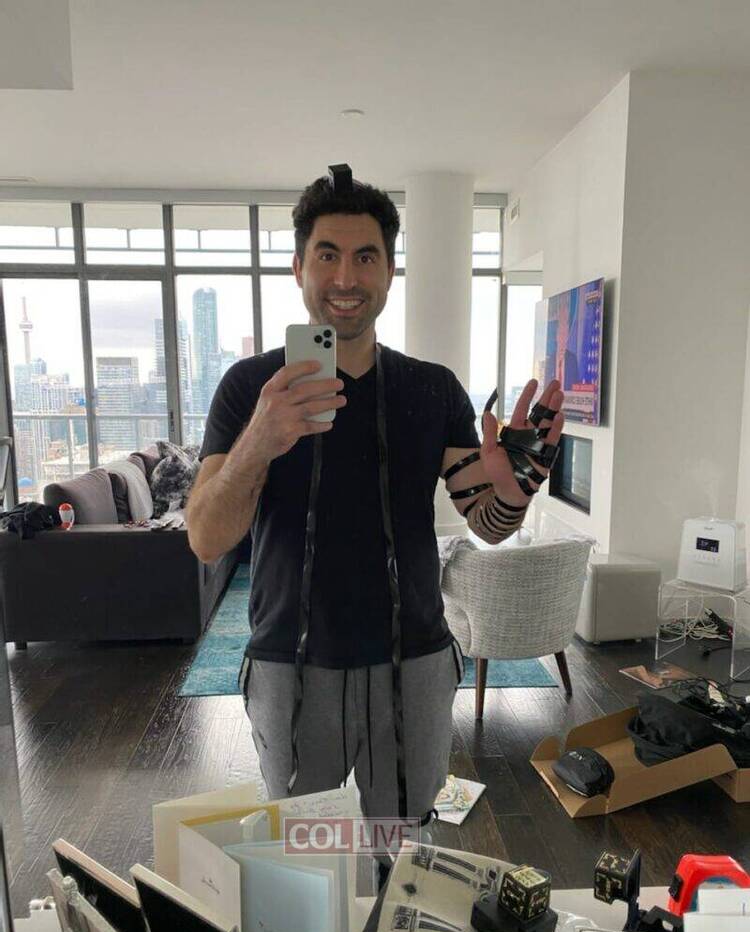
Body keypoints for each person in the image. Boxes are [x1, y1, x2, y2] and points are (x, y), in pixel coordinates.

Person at [186, 174, 564, 861]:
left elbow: (487, 523)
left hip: (413, 662)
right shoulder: (251, 388)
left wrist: (518, 484)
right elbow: (207, 538)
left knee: (404, 849)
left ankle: (391, 926)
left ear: (390, 271)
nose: (346, 277)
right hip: (291, 664)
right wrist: (260, 440)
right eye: (327, 255)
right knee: (309, 858)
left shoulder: (431, 388)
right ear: (298, 267)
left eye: (366, 257)